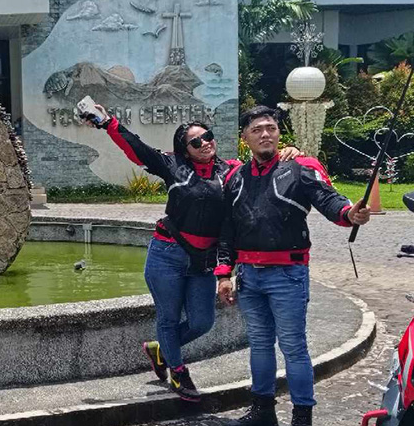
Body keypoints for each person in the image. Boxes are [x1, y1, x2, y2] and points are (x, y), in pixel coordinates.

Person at [85, 103, 298, 401]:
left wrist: (291, 154)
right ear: (185, 149)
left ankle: (160, 350)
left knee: (202, 322)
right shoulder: (173, 166)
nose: (205, 143)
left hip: (202, 261)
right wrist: (108, 122)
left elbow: (264, 166)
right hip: (167, 254)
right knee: (168, 318)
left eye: (207, 136)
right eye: (196, 142)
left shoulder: (231, 171)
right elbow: (136, 148)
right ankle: (178, 371)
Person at [217, 105, 371, 426]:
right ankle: (262, 412)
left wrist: (349, 213)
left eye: (271, 128)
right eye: (257, 129)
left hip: (287, 275)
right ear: (245, 138)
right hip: (249, 276)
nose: (265, 134)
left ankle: (302, 422)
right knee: (259, 345)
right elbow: (227, 229)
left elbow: (329, 200)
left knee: (293, 347)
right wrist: (224, 272)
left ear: (278, 133)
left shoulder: (299, 169)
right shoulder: (235, 178)